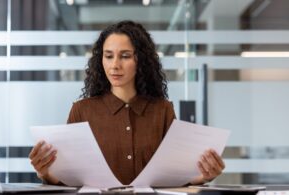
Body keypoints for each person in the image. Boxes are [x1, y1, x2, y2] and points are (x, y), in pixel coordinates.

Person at [29, 20, 225, 186]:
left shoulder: (162, 110)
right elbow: (69, 181)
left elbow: (173, 178)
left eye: (125, 56)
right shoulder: (82, 110)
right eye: (108, 56)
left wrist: (202, 177)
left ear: (140, 61)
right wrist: (45, 173)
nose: (115, 65)